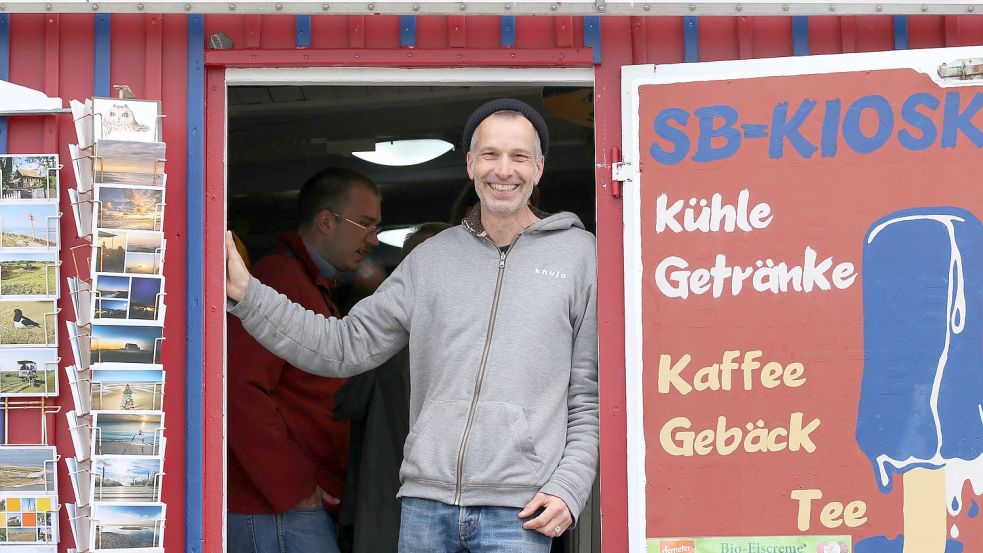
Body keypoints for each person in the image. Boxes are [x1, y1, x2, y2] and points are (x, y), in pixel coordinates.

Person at [226, 98, 598, 553]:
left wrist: (570, 486)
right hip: (426, 506)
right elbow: (344, 344)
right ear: (469, 164)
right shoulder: (431, 259)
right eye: (490, 155)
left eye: (519, 156)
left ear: (539, 167)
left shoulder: (581, 257)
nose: (504, 170)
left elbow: (589, 394)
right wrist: (248, 294)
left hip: (519, 511)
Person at [226, 167, 382, 553]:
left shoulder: (311, 283)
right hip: (275, 509)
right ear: (326, 221)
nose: (374, 239)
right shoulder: (280, 280)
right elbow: (239, 391)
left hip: (292, 503)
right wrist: (294, 488)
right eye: (365, 224)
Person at [333, 222, 452, 553]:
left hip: (385, 504)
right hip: (429, 508)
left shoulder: (385, 342)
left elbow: (343, 404)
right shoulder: (473, 342)